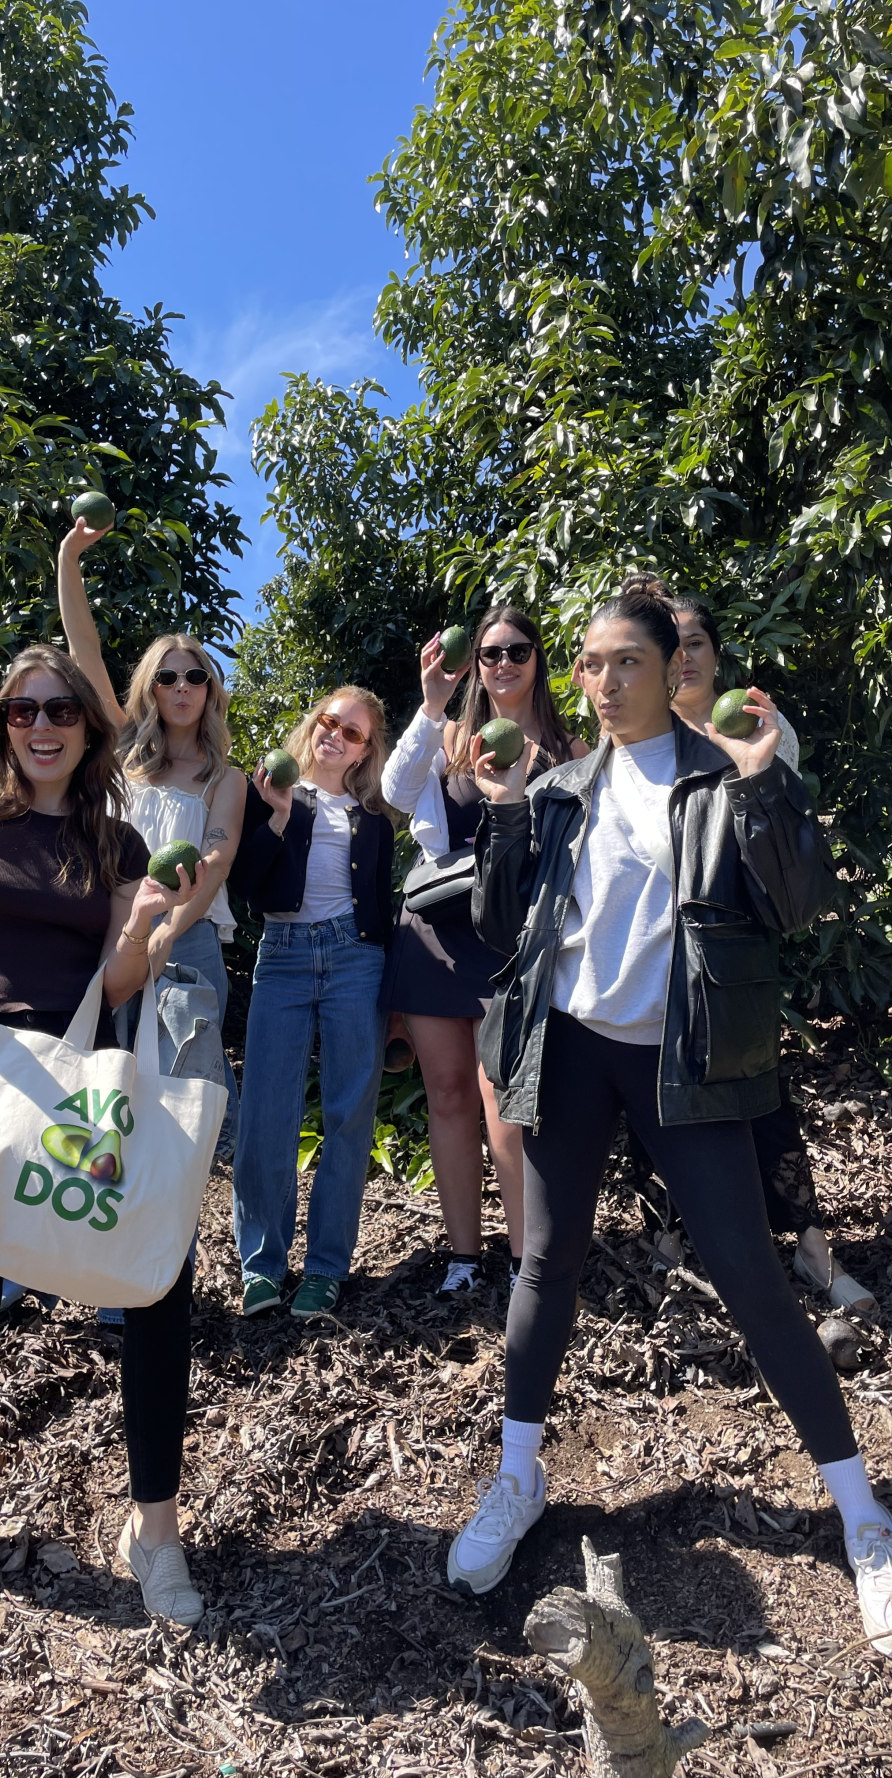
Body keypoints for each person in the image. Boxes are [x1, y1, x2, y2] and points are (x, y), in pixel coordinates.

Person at [445, 588, 892, 1659]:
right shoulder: (559, 785)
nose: (603, 683)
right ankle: (517, 1476)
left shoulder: (718, 769)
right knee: (546, 1261)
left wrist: (765, 780)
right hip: (571, 1046)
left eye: (626, 663)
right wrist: (502, 808)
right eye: (590, 664)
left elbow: (795, 902)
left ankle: (861, 1515)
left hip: (678, 1055)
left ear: (668, 666)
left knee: (749, 1275)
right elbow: (500, 925)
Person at [0, 646, 207, 1638]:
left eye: (61, 709)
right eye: (23, 709)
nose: (41, 725)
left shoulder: (114, 841)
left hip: (71, 1074)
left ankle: (155, 1528)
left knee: (152, 1286)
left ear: (88, 727)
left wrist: (148, 924)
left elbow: (116, 983)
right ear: (2, 722)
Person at [626, 577, 874, 1313]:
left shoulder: (761, 726)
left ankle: (811, 1251)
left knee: (760, 1094)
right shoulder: (634, 740)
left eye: (696, 643)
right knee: (653, 1099)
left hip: (733, 952)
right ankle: (670, 1246)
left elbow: (787, 853)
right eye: (670, 645)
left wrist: (753, 764)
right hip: (652, 953)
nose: (684, 657)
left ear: (716, 654)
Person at [381, 609, 587, 1298]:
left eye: (517, 651)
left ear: (538, 660)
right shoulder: (449, 738)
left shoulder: (567, 748)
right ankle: (463, 1258)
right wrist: (431, 703)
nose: (503, 663)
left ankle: (530, 1263)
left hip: (515, 939)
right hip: (438, 933)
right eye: (491, 653)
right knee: (447, 1094)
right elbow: (392, 794)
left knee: (506, 1099)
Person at [58, 514, 245, 1156]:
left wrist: (169, 930)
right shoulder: (122, 750)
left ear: (210, 690)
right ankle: (108, 1213)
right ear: (152, 689)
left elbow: (217, 859)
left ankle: (197, 1223)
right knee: (108, 1093)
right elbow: (84, 652)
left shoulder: (225, 777)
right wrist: (69, 558)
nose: (181, 687)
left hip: (188, 942)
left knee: (193, 1109)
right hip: (112, 933)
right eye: (167, 677)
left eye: (195, 676)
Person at [229, 689, 394, 1320]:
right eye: (329, 722)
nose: (335, 736)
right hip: (284, 956)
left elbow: (380, 905)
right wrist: (275, 817)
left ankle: (326, 1268)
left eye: (352, 733)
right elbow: (246, 884)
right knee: (266, 1113)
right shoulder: (273, 792)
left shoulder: (373, 818)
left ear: (365, 751)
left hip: (357, 959)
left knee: (349, 1115)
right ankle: (261, 1265)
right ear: (312, 726)